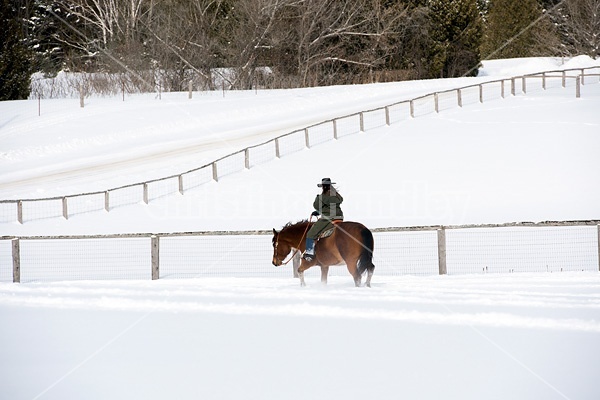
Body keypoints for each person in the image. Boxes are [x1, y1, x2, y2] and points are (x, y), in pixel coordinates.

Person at [303, 178, 344, 262]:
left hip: (328, 218)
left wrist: (318, 210)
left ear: (322, 187)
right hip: (339, 217)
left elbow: (316, 205)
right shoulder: (336, 195)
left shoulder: (322, 197)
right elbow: (331, 206)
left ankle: (309, 253)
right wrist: (320, 211)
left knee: (311, 233)